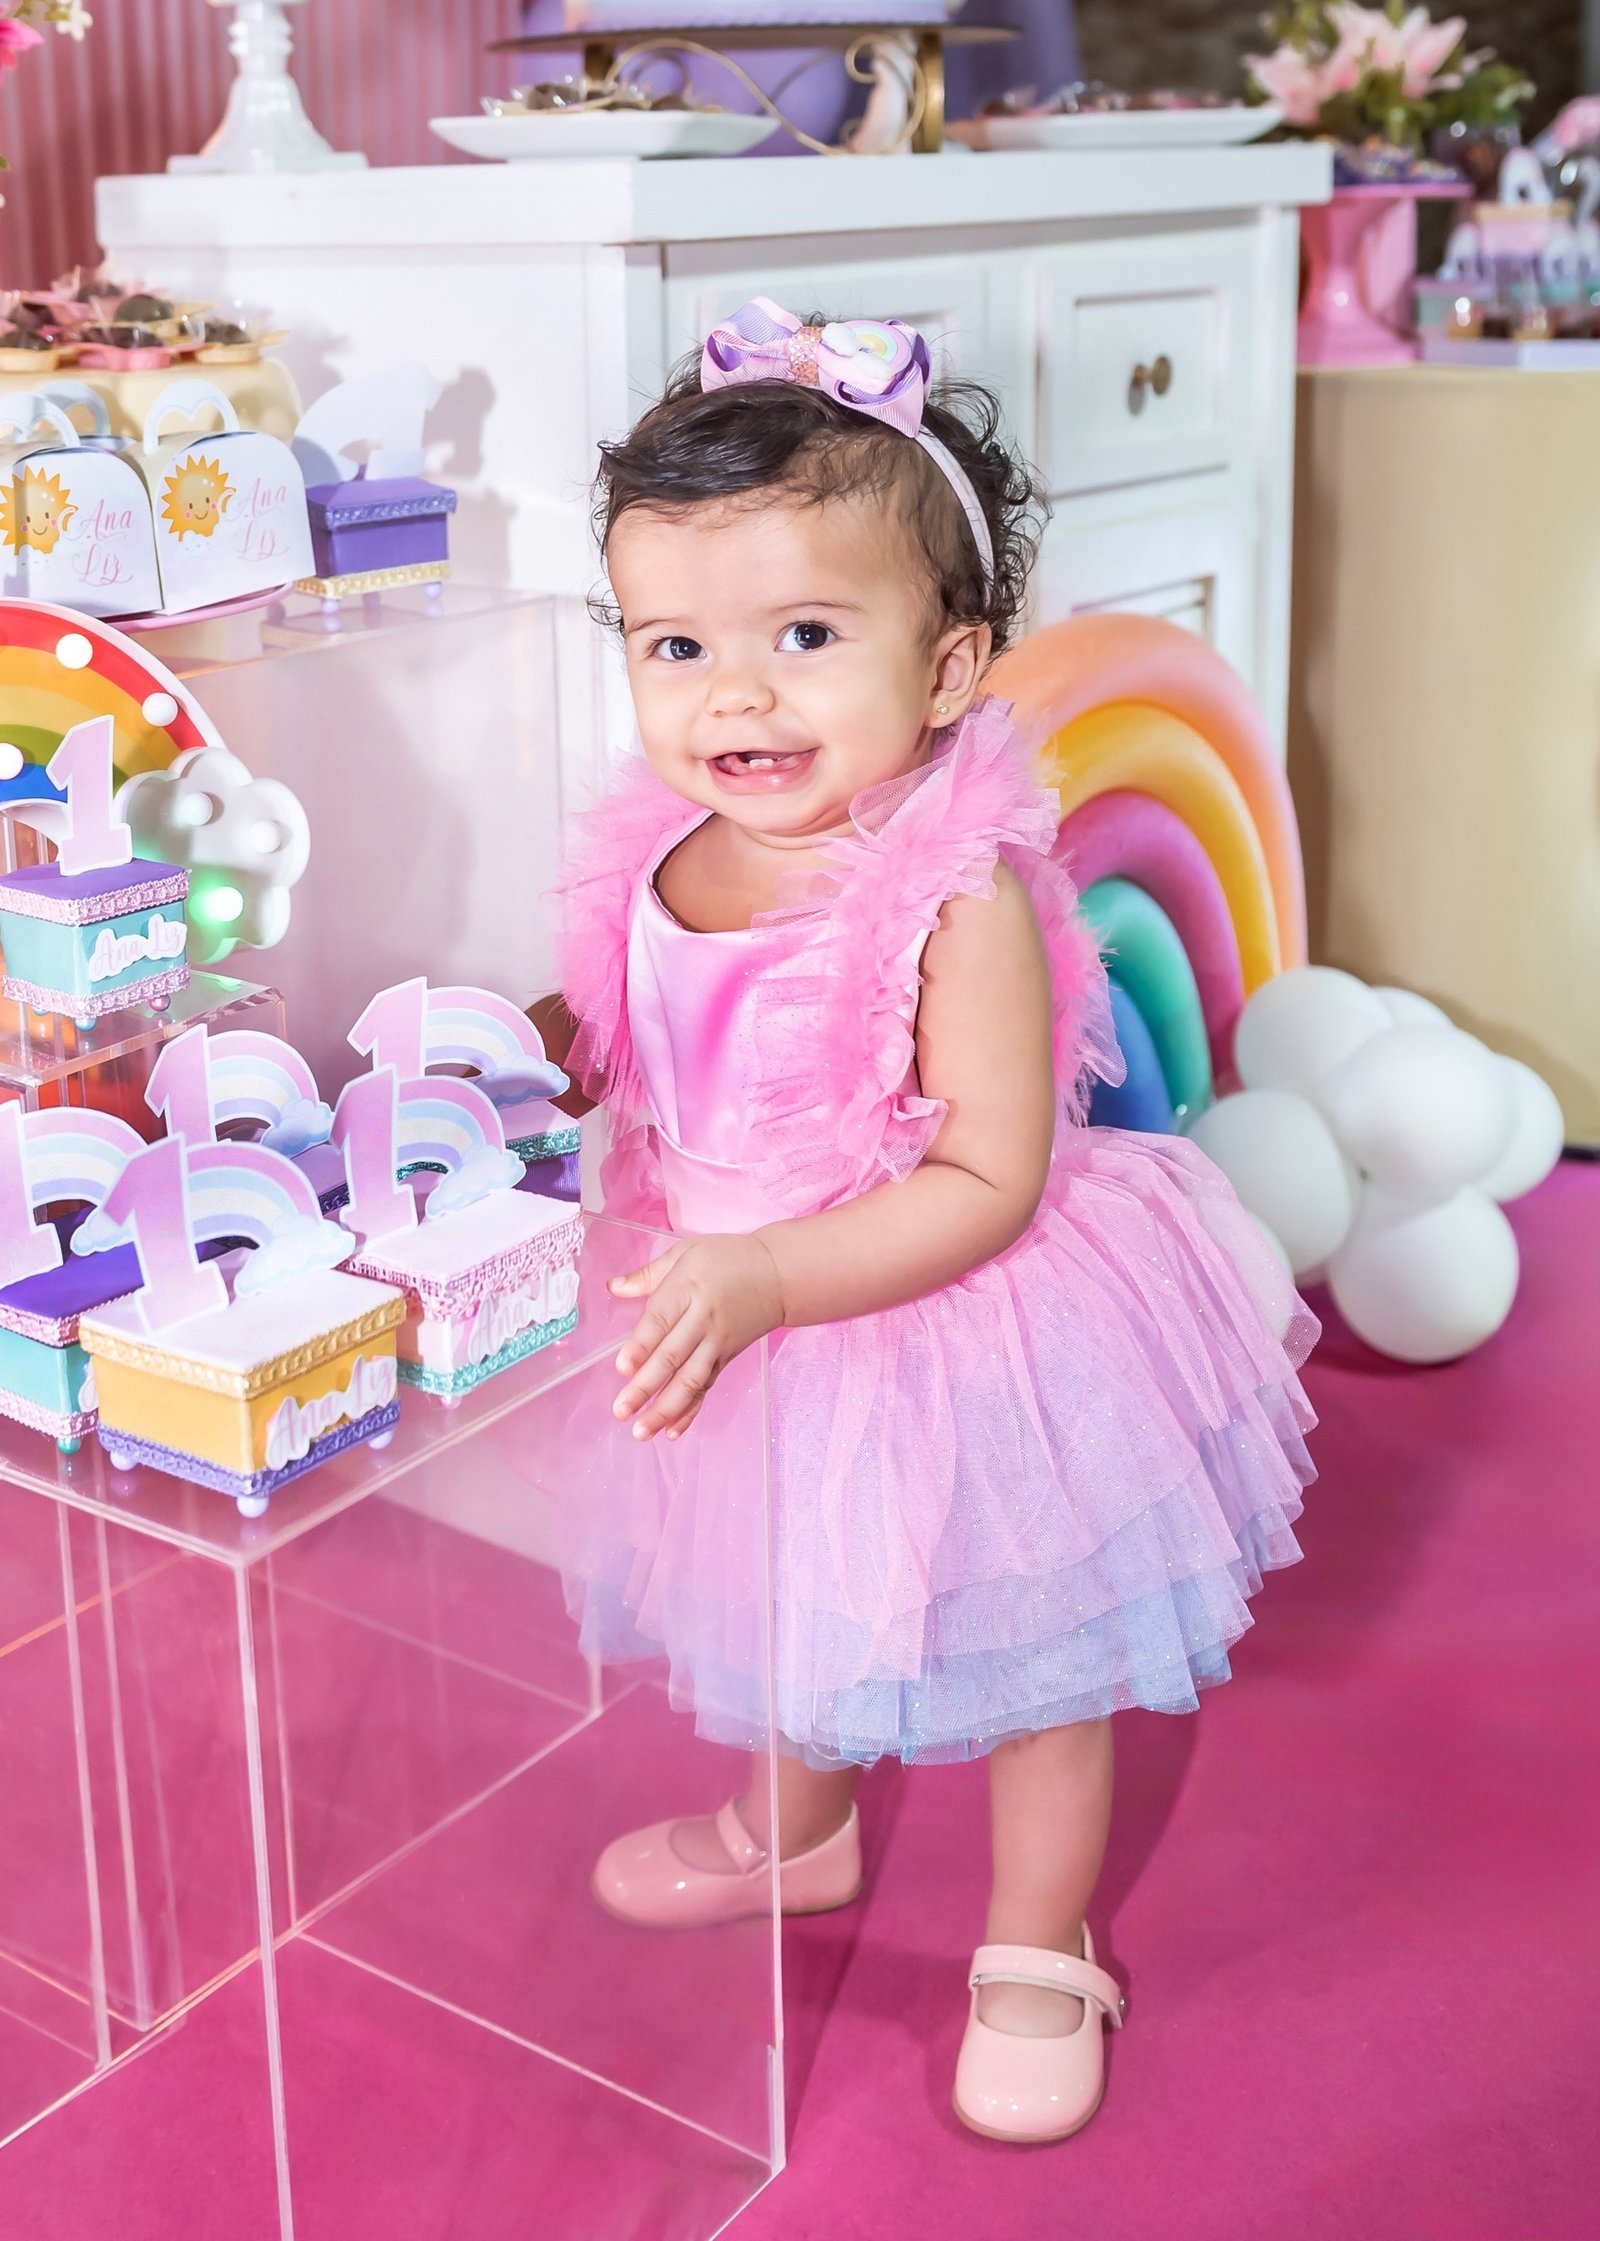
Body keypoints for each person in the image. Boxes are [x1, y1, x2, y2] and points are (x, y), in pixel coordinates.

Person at [533, 298, 1317, 2144]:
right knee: (774, 1585)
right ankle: (791, 1827)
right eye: (677, 645)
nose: (736, 697)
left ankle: (1041, 1935)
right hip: (732, 1296)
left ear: (951, 666)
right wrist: (544, 1056)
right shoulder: (655, 851)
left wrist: (769, 1275)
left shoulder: (957, 896)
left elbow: (991, 1176)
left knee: (1045, 1649)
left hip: (950, 1320)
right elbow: (640, 1031)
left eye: (807, 637)